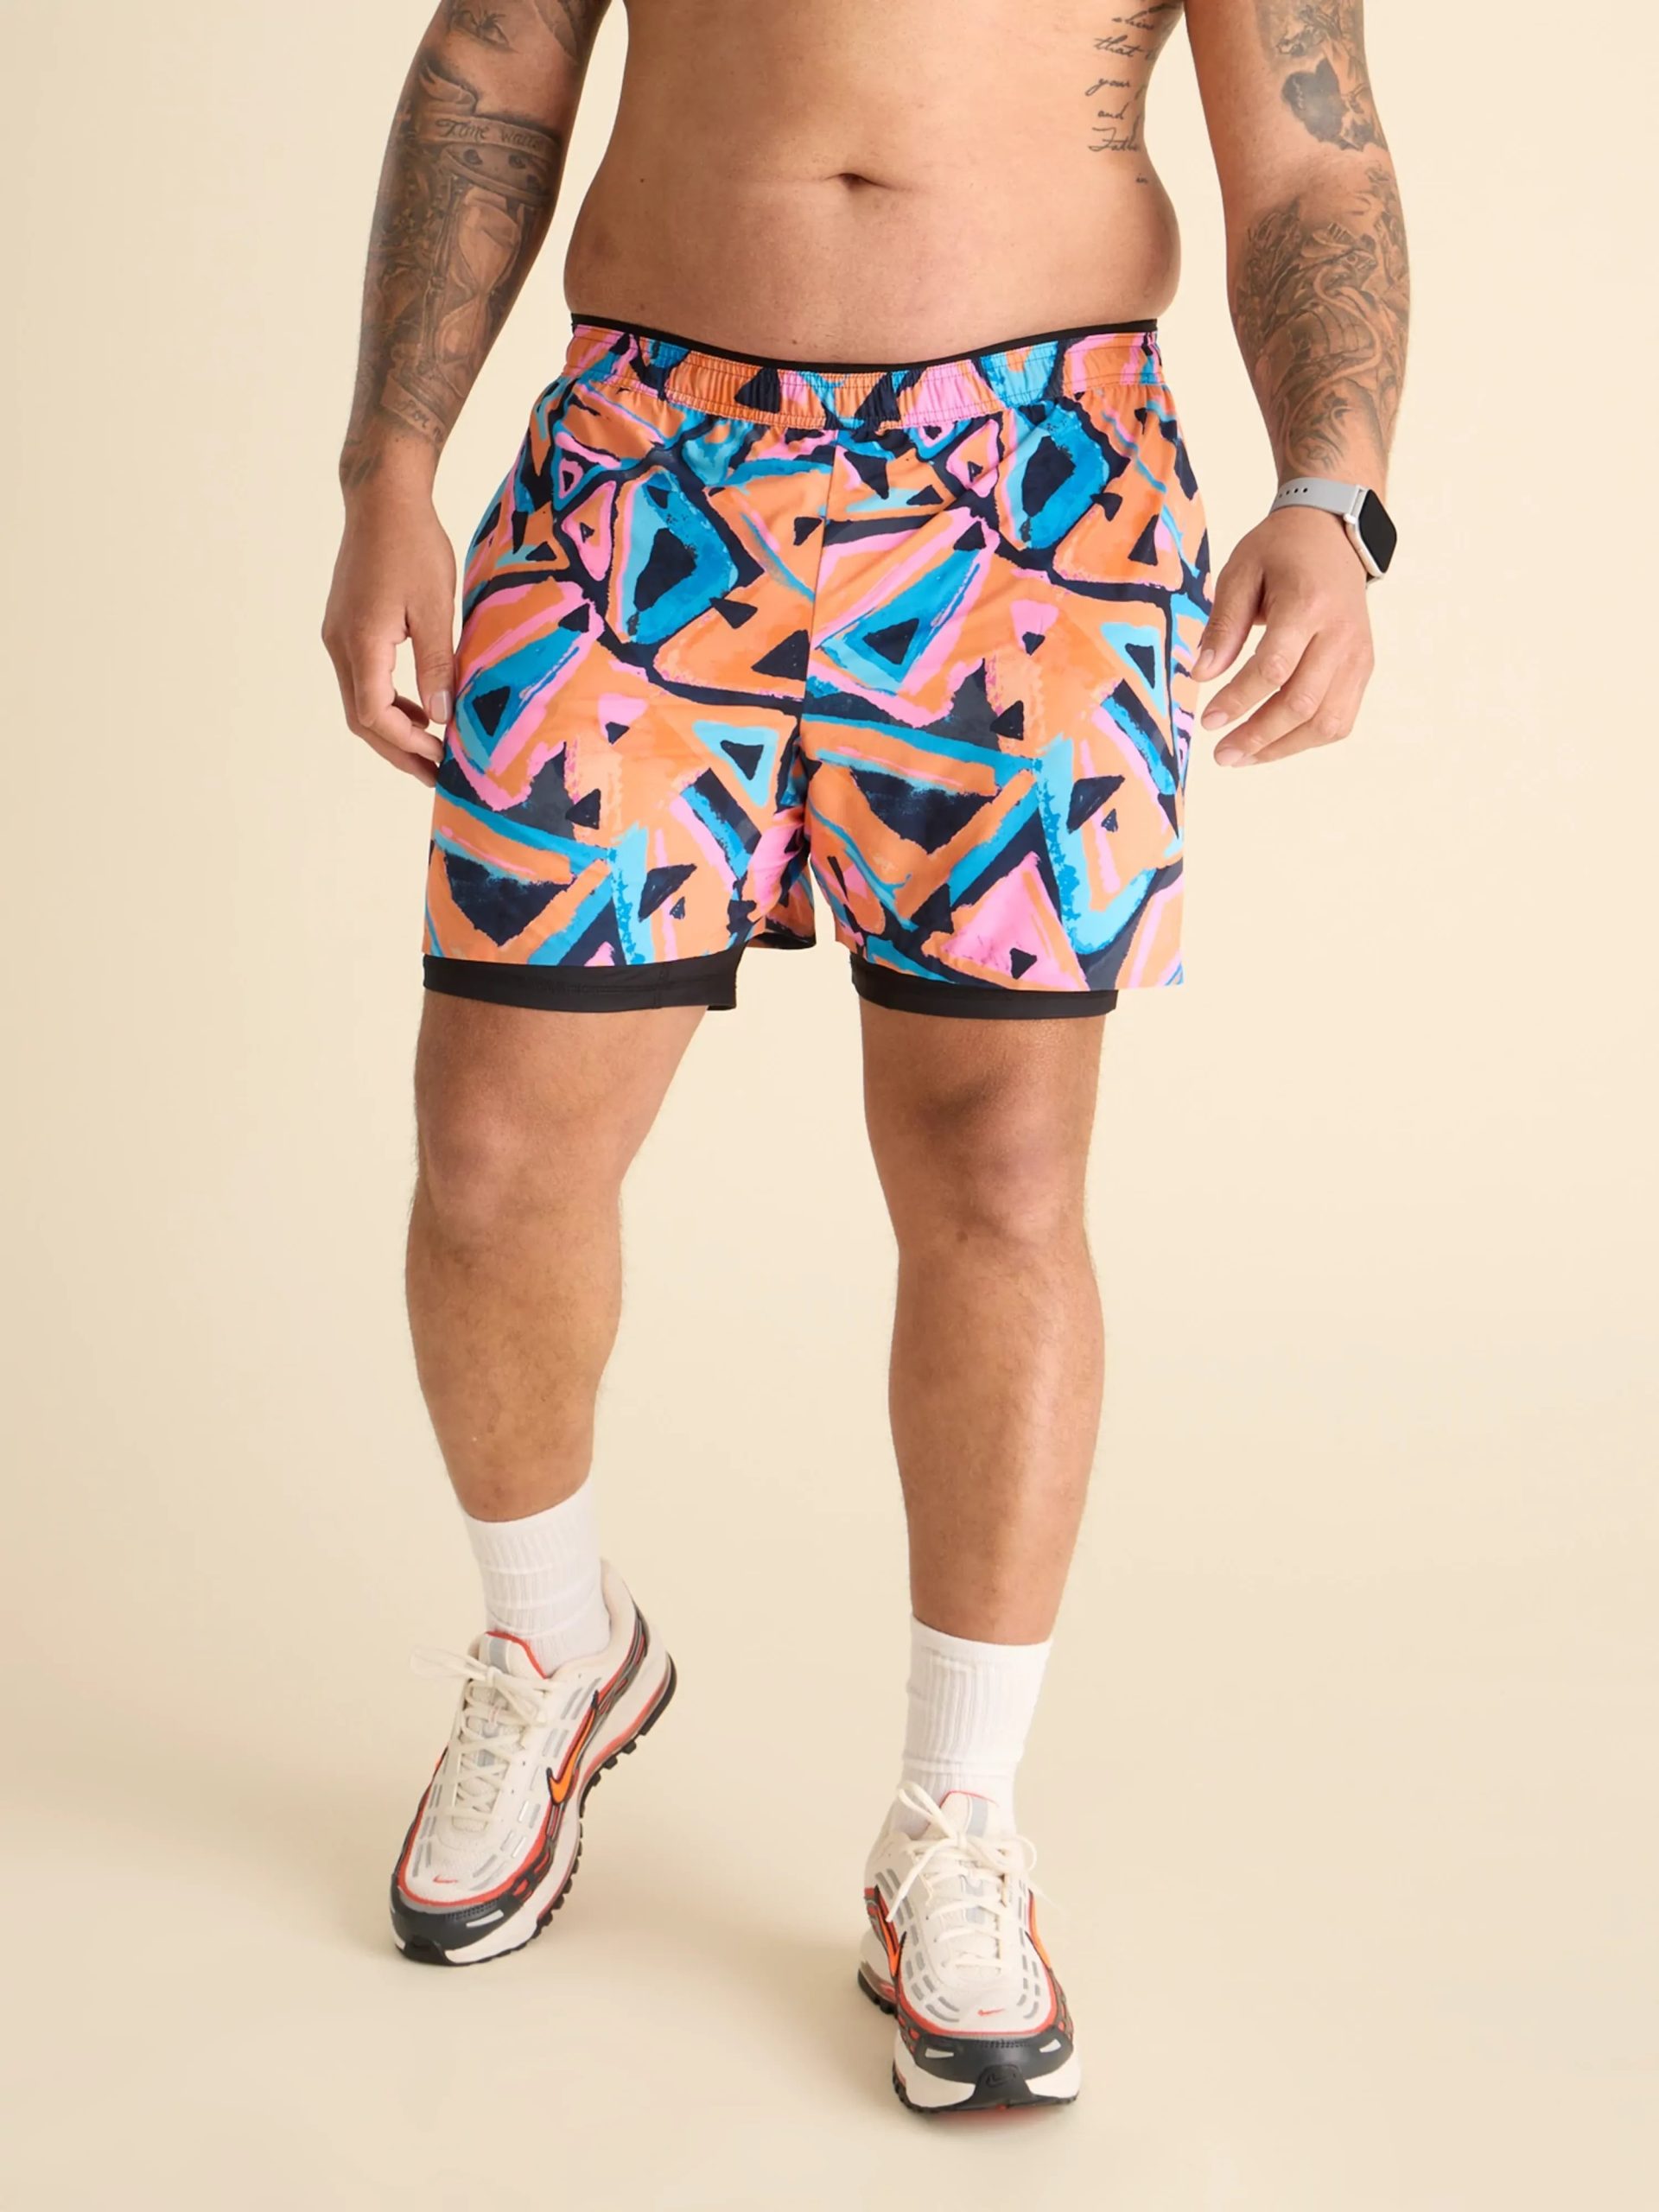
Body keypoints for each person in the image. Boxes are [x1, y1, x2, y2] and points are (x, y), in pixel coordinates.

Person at [322, 0, 1406, 2114]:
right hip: (642, 459)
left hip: (1042, 481)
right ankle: (551, 1642)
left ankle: (955, 1817)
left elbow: (1312, 144)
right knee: (494, 1151)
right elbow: (496, 59)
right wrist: (389, 467)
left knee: (1001, 1170)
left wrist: (1335, 495)